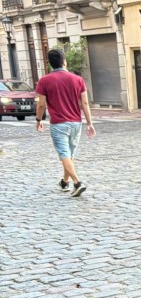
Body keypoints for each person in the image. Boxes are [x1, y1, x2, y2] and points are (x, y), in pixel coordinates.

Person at [35, 47, 95, 196]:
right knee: (68, 154)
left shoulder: (44, 81)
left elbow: (41, 104)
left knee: (64, 154)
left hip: (58, 123)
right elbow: (85, 103)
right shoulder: (78, 79)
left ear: (50, 63)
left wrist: (38, 119)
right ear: (64, 61)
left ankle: (77, 183)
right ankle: (64, 181)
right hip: (76, 123)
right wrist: (89, 123)